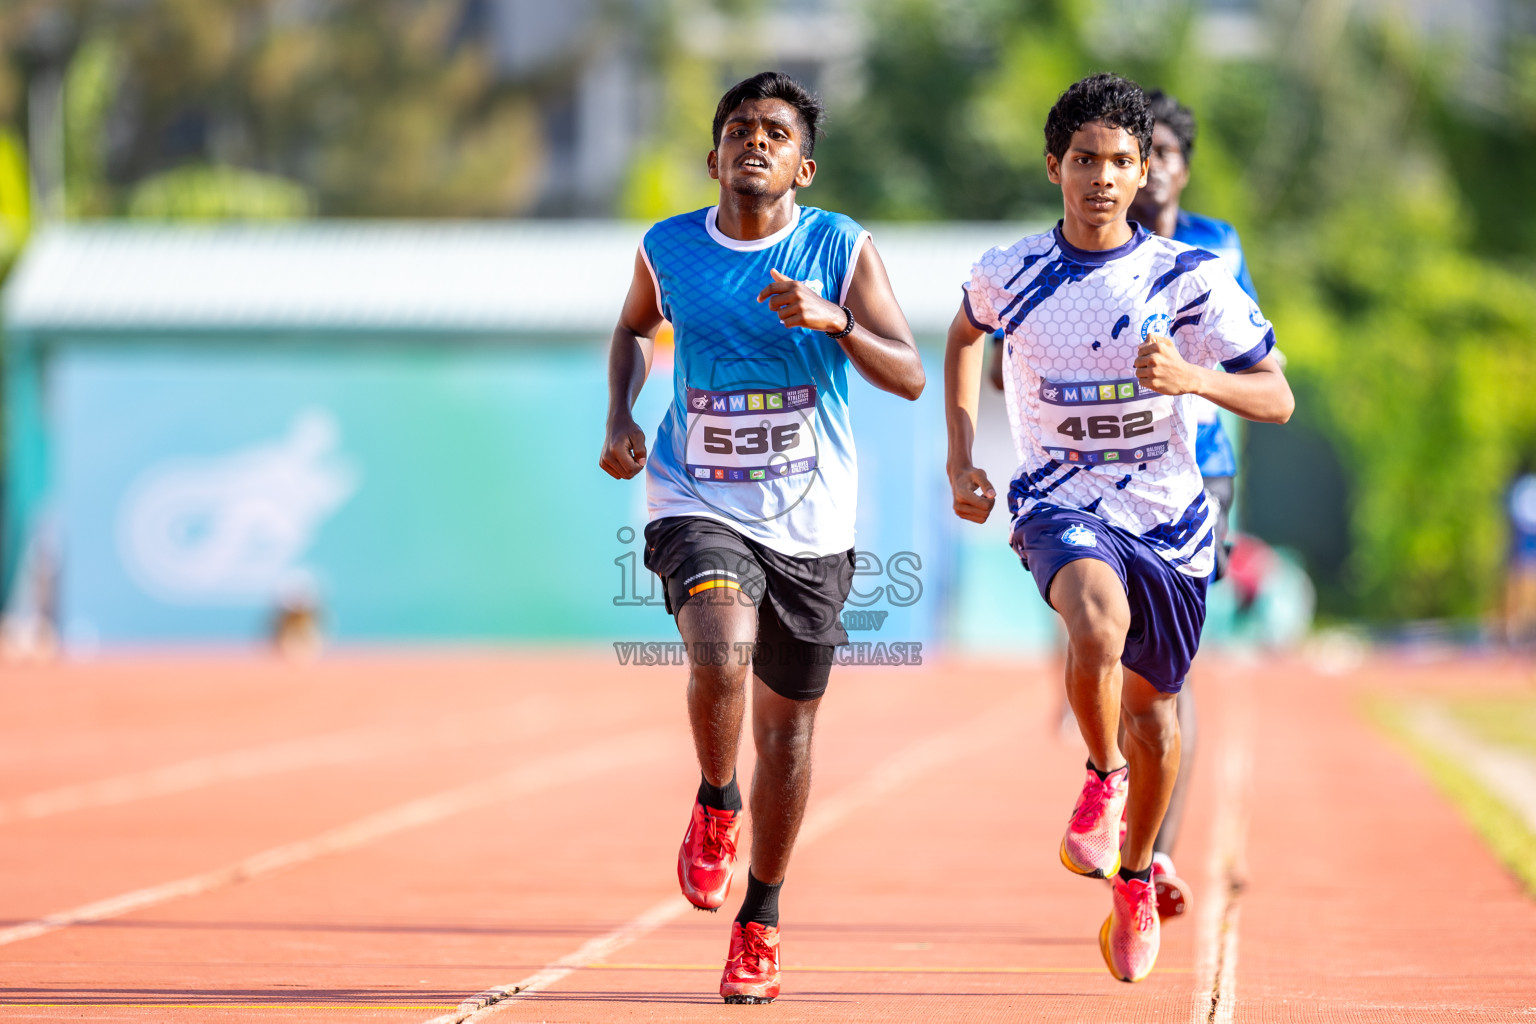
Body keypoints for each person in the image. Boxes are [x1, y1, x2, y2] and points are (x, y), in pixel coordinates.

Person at [943, 73, 1292, 983]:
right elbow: (964, 329)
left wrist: (1194, 379)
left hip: (1170, 516)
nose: (1102, 176)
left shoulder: (1190, 279)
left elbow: (1277, 395)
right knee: (1093, 621)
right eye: (1085, 159)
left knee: (1157, 714)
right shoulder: (1010, 271)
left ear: (1146, 175)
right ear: (1055, 166)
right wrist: (961, 454)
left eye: (1122, 161)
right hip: (1061, 497)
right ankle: (1102, 782)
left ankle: (1135, 877)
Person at [599, 71, 923, 1004]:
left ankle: (762, 917)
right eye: (739, 128)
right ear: (713, 156)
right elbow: (631, 330)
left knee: (786, 735)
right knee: (722, 651)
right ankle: (714, 800)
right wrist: (620, 413)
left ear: (803, 165)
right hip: (695, 496)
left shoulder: (840, 248)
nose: (755, 141)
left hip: (813, 521)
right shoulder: (668, 248)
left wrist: (836, 319)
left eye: (775, 132)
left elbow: (906, 372)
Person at [1118, 88, 1263, 922]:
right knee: (1108, 651)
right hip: (1099, 474)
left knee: (1168, 668)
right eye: (1143, 155)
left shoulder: (1215, 246)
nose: (1153, 170)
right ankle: (1109, 778)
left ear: (1180, 166)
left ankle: (1159, 846)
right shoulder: (1083, 245)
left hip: (1198, 470)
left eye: (1167, 154)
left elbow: (1246, 354)